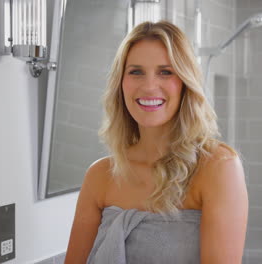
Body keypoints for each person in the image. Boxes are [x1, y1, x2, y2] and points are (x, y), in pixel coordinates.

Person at [64, 20, 248, 264]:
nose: (149, 86)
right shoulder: (100, 176)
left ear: (185, 83)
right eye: (136, 72)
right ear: (120, 84)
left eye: (165, 72)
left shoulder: (218, 168)